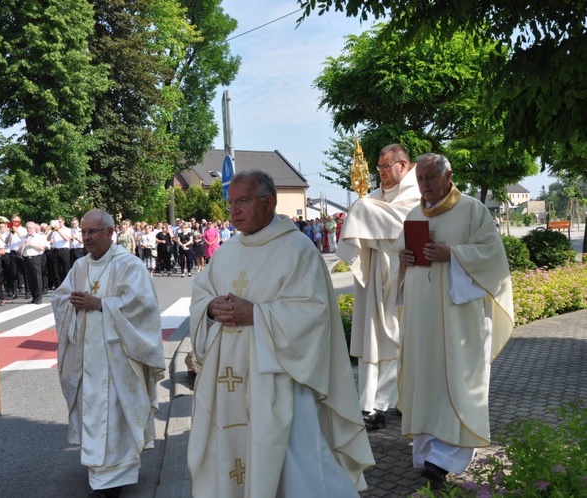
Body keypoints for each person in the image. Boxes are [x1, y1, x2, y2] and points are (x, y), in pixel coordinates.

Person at [188, 170, 374, 497]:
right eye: (231, 203)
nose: (234, 210)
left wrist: (257, 314)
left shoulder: (298, 250)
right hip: (229, 378)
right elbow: (202, 292)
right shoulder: (227, 252)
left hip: (280, 379)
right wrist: (210, 306)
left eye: (242, 201)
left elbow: (313, 313)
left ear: (269, 202)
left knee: (295, 463)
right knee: (234, 452)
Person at [396, 153, 514, 485]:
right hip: (423, 320)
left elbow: (493, 258)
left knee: (457, 380)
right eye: (419, 179)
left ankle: (446, 457)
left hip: (458, 319)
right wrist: (403, 260)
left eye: (430, 178)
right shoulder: (413, 214)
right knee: (426, 377)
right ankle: (427, 449)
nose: (424, 186)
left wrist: (454, 255)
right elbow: (399, 267)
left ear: (448, 176)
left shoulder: (473, 210)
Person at [52, 209, 164, 498]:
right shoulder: (79, 266)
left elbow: (142, 306)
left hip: (118, 358)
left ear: (110, 233)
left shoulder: (129, 265)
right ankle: (100, 473)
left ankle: (113, 481)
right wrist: (72, 302)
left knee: (116, 416)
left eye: (93, 232)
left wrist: (100, 303)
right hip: (87, 358)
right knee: (93, 414)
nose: (87, 237)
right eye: (84, 232)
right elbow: (60, 298)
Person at [335, 144, 420, 430]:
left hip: (408, 277)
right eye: (379, 168)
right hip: (378, 279)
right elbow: (365, 232)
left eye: (386, 167)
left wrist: (367, 220)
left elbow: (409, 226)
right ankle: (373, 405)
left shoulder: (417, 194)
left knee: (408, 342)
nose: (381, 173)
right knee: (377, 342)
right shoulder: (372, 199)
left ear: (404, 165)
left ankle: (403, 400)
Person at [21, 221, 48, 304]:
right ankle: (34, 297)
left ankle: (39, 297)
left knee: (37, 277)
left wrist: (31, 244)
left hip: (36, 258)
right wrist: (22, 247)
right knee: (30, 278)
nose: (28, 229)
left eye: (30, 228)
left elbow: (42, 248)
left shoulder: (39, 237)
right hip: (26, 258)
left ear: (34, 228)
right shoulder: (23, 237)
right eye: (27, 228)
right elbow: (20, 250)